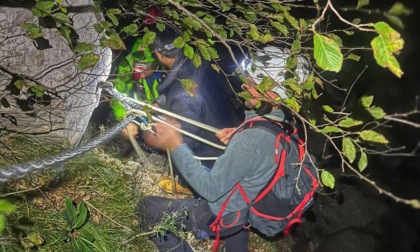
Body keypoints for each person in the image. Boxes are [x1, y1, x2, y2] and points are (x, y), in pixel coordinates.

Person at [139, 26, 244, 195]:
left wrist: (148, 136)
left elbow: (184, 141)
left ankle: (186, 186)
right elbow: (180, 87)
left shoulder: (183, 97)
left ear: (159, 55)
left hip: (211, 155)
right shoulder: (198, 58)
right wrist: (161, 102)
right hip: (225, 123)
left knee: (179, 147)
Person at [109, 38, 165, 151]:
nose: (140, 74)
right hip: (141, 111)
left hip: (162, 112)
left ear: (156, 62)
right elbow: (118, 95)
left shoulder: (167, 68)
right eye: (137, 67)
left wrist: (160, 106)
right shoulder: (127, 67)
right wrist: (124, 120)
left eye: (145, 68)